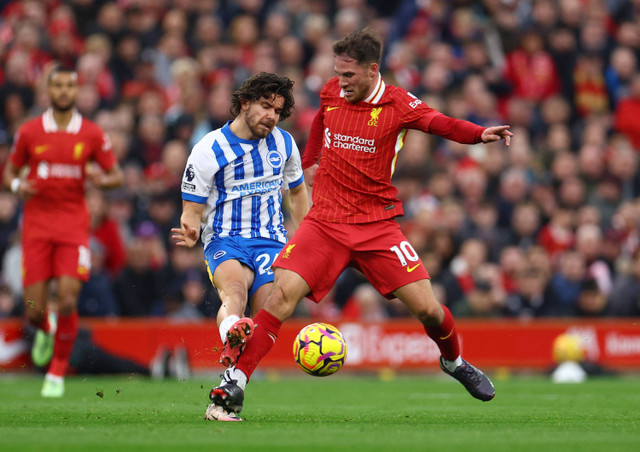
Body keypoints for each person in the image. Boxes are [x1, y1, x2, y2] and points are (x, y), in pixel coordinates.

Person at [209, 29, 513, 421]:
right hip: (327, 222)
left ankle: (454, 362)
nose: (341, 81)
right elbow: (320, 124)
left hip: (376, 226)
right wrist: (306, 163)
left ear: (372, 70)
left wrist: (478, 134)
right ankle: (236, 381)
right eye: (338, 72)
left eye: (349, 74)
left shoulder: (398, 103)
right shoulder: (332, 92)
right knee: (279, 298)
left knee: (429, 310)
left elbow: (440, 123)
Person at [170, 72, 308, 421]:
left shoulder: (284, 144)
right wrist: (189, 229)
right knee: (234, 291)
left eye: (277, 110)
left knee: (266, 317)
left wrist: (307, 235)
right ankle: (231, 328)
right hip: (225, 239)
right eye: (265, 106)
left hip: (271, 242)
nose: (271, 116)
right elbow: (191, 209)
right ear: (244, 103)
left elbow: (297, 191)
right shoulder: (208, 149)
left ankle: (226, 395)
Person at [2, 65, 124, 397]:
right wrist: (16, 184)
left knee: (68, 299)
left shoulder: (92, 133)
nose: (64, 91)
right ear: (48, 90)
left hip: (73, 226)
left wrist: (101, 179)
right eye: (58, 85)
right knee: (33, 308)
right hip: (37, 228)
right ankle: (46, 328)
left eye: (70, 85)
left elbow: (117, 176)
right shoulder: (28, 133)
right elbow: (8, 173)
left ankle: (56, 371)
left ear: (76, 90)